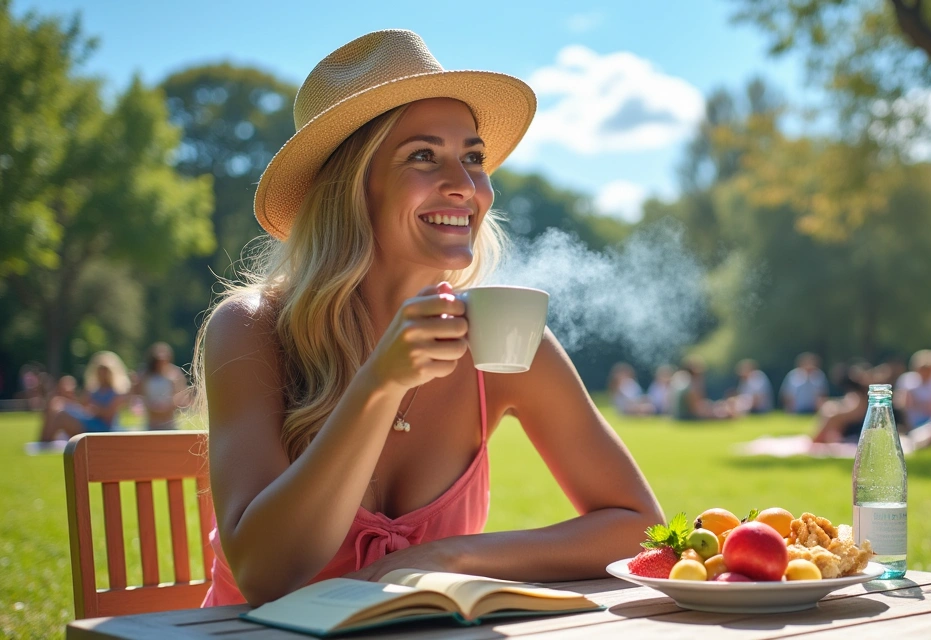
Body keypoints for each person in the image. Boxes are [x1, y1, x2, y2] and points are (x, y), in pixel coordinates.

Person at [194, 30, 662, 608]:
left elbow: (639, 527)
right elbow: (268, 576)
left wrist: (447, 556)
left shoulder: (502, 338)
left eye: (473, 158)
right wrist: (380, 384)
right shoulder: (252, 329)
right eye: (423, 156)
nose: (466, 187)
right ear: (352, 186)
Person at [39, 351, 130, 442]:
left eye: (104, 371)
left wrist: (95, 409)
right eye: (100, 371)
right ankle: (44, 441)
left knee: (61, 417)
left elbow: (108, 415)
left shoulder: (117, 392)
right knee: (56, 408)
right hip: (90, 421)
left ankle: (45, 442)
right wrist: (64, 401)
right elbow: (81, 406)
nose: (102, 374)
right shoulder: (93, 390)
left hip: (104, 428)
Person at [136, 342, 188, 430]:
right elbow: (140, 395)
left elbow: (181, 394)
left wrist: (167, 407)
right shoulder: (145, 375)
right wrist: (152, 407)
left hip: (169, 419)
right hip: (151, 420)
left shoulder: (175, 373)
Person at [811, 366, 869, 444]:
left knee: (832, 417)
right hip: (850, 423)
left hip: (856, 426)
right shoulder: (855, 394)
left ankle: (816, 440)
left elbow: (855, 413)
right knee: (829, 408)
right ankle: (818, 440)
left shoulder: (863, 396)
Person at [669, 356, 735, 421]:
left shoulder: (685, 381)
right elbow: (696, 409)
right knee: (721, 413)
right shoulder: (691, 386)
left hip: (681, 415)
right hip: (686, 416)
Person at [895, 350, 931, 428]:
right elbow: (901, 404)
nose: (925, 372)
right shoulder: (906, 380)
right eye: (922, 369)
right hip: (910, 422)